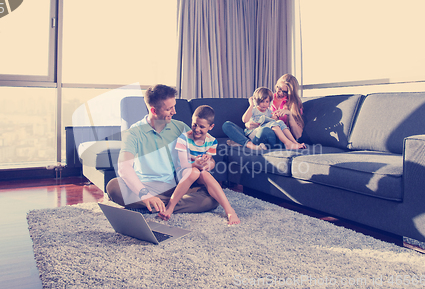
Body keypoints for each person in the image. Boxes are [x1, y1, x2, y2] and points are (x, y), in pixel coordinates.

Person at [105, 84, 219, 216]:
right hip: (146, 186)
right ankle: (162, 204)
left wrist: (209, 163)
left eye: (174, 106)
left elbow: (205, 154)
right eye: (169, 109)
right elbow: (124, 167)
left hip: (176, 187)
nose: (174, 112)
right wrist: (145, 195)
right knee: (114, 187)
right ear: (154, 111)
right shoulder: (133, 133)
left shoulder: (181, 127)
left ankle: (159, 206)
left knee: (213, 197)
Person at [158, 105, 240, 225]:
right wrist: (196, 164)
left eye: (202, 126)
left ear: (211, 127)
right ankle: (170, 207)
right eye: (195, 124)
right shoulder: (183, 139)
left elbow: (210, 161)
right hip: (184, 173)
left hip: (199, 174)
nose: (197, 129)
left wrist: (207, 164)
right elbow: (182, 164)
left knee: (205, 174)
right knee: (195, 172)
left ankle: (229, 210)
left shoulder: (212, 141)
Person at [222, 73, 304, 149]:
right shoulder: (267, 97)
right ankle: (250, 145)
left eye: (284, 92)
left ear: (290, 92)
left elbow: (298, 135)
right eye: (278, 88)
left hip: (273, 135)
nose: (279, 92)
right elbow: (248, 118)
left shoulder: (294, 104)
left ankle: (243, 143)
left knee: (266, 130)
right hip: (254, 131)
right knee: (227, 125)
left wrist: (289, 115)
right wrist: (248, 125)